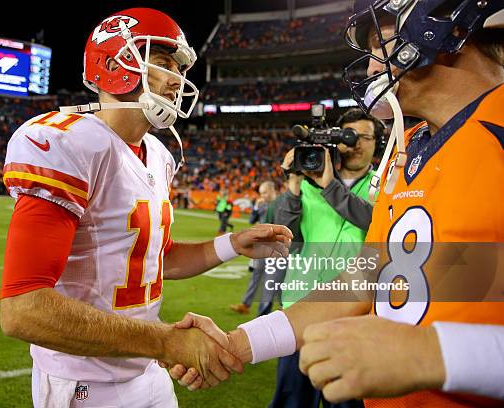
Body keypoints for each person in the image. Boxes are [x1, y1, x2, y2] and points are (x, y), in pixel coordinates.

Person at [167, 0, 504, 405]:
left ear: (444, 28)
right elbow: (363, 281)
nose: (370, 68)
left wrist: (435, 354)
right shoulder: (413, 146)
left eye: (381, 45)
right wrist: (239, 343)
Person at [0, 8, 292, 408]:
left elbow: (156, 258)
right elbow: (23, 308)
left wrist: (232, 244)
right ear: (115, 61)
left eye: (179, 68)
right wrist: (168, 341)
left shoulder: (157, 154)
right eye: (163, 63)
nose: (178, 80)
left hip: (145, 367)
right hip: (86, 384)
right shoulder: (67, 142)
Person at [269, 109, 384, 408]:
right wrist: (293, 189)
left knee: (345, 401)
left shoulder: (383, 185)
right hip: (301, 306)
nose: (355, 143)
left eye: (364, 137)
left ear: (377, 143)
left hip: (351, 311)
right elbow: (286, 236)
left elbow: (373, 220)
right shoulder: (308, 183)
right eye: (348, 136)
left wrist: (329, 186)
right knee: (292, 400)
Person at [230, 181, 279, 315]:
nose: (262, 195)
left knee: (271, 280)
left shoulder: (280, 205)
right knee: (256, 276)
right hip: (261, 246)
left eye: (264, 192)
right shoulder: (262, 205)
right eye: (261, 193)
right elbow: (251, 221)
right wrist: (256, 209)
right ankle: (245, 304)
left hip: (275, 248)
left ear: (272, 191)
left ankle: (266, 313)